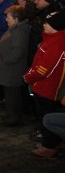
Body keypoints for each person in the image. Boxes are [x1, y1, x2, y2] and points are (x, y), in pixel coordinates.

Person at [24, 10, 65, 159]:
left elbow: (45, 69)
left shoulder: (57, 43)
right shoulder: (50, 38)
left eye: (47, 23)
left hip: (46, 88)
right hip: (40, 85)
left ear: (55, 26)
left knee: (45, 117)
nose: (43, 24)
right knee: (43, 116)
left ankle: (49, 147)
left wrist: (28, 77)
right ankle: (53, 142)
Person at [0, 6, 30, 126]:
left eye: (8, 17)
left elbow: (18, 51)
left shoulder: (19, 31)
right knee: (10, 96)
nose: (6, 20)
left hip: (12, 70)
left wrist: (6, 60)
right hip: (9, 69)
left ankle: (13, 119)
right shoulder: (15, 29)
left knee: (13, 96)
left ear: (16, 19)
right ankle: (11, 115)